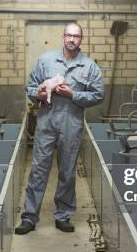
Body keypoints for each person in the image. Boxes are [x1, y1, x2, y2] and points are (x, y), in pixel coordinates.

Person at [15, 22, 104, 235]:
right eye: (69, 35)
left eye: (77, 36)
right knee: (38, 170)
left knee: (67, 171)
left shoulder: (89, 67)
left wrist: (72, 95)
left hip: (71, 124)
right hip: (46, 122)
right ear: (63, 37)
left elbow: (98, 95)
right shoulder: (45, 60)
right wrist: (41, 93)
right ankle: (29, 217)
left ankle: (63, 215)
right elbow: (30, 86)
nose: (72, 39)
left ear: (81, 39)